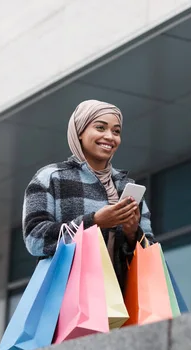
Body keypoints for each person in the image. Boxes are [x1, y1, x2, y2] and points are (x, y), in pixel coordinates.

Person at [22, 99, 155, 289]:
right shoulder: (50, 177)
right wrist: (94, 222)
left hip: (121, 305)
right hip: (66, 302)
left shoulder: (127, 187)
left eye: (116, 131)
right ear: (80, 132)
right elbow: (35, 239)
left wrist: (132, 232)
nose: (110, 136)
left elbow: (150, 253)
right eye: (100, 128)